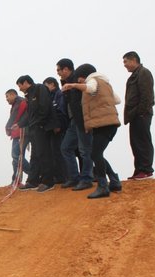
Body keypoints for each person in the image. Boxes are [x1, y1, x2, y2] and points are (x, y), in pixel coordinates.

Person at [62, 64, 121, 198]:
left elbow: (90, 88)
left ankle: (103, 186)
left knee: (94, 153)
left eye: (79, 79)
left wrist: (72, 86)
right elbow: (117, 100)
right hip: (108, 123)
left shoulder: (93, 80)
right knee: (96, 153)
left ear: (84, 76)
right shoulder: (105, 83)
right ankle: (114, 180)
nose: (79, 82)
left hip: (104, 124)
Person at [56, 58, 94, 191]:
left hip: (82, 119)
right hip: (73, 121)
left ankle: (87, 179)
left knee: (85, 150)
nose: (58, 73)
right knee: (65, 148)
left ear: (66, 69)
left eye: (59, 70)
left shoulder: (78, 79)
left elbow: (90, 92)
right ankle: (74, 177)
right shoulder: (66, 82)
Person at [15, 75, 55, 193]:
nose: (19, 88)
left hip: (41, 127)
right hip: (33, 128)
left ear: (26, 82)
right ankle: (33, 181)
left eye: (20, 85)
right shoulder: (29, 96)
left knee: (44, 153)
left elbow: (45, 106)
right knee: (35, 155)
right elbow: (29, 114)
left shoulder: (40, 89)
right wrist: (20, 124)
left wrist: (40, 122)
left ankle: (48, 181)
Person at [123, 51, 155, 180]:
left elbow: (147, 95)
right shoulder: (134, 75)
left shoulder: (144, 73)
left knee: (142, 141)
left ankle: (146, 170)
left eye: (126, 61)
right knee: (135, 142)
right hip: (134, 115)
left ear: (133, 60)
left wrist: (141, 112)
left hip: (141, 114)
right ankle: (139, 169)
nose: (124, 65)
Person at [43, 77, 68, 184]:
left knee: (60, 151)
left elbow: (60, 111)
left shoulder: (59, 94)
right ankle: (58, 176)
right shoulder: (49, 96)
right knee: (54, 152)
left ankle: (65, 176)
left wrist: (58, 125)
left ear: (52, 84)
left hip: (60, 128)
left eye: (46, 85)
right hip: (52, 129)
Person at [5, 89, 30, 185]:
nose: (6, 99)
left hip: (22, 132)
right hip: (17, 134)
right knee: (17, 157)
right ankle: (16, 180)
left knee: (16, 155)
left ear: (13, 94)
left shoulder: (21, 102)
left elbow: (16, 117)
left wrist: (8, 127)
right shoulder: (16, 104)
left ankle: (33, 174)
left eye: (7, 96)